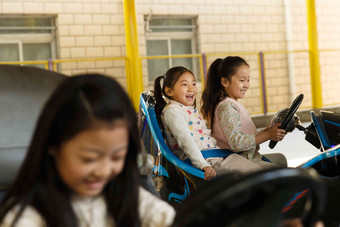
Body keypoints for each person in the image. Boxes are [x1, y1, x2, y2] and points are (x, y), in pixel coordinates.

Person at [0, 74, 175, 227]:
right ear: (53, 145)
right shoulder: (27, 217)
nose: (104, 171)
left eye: (117, 157)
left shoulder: (129, 199)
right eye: (89, 159)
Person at [153, 66, 266, 181]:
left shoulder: (185, 109)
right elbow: (186, 140)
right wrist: (203, 165)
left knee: (259, 171)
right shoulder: (172, 111)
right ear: (169, 91)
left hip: (214, 157)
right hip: (206, 162)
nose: (191, 89)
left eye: (193, 84)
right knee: (258, 175)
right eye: (185, 85)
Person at [201, 56, 287, 168]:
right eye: (242, 80)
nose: (246, 85)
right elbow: (237, 143)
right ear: (225, 82)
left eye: (248, 80)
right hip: (240, 161)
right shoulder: (227, 107)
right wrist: (268, 135)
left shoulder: (229, 104)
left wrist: (266, 131)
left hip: (247, 157)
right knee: (288, 175)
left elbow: (242, 136)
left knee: (281, 159)